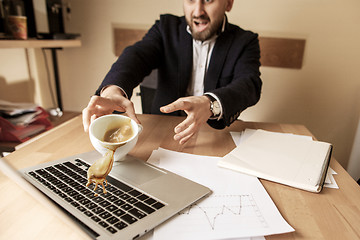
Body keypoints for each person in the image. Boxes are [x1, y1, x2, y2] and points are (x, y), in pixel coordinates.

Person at [82, 0, 262, 145]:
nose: (198, 11)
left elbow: (249, 84)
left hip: (214, 137)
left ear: (228, 4)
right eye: (191, 0)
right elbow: (137, 55)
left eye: (208, 0)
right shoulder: (165, 28)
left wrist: (210, 103)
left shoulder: (245, 41)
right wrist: (112, 89)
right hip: (161, 135)